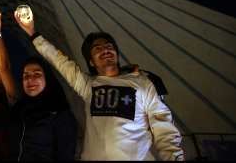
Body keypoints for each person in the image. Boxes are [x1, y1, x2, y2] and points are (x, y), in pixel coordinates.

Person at [14, 11, 185, 161]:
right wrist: (32, 32)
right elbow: (60, 62)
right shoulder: (89, 87)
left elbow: (164, 130)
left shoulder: (143, 83)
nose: (105, 50)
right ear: (91, 61)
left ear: (116, 54)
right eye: (97, 49)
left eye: (109, 46)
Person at [0, 9, 77, 161]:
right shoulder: (19, 107)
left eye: (37, 74)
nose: (30, 79)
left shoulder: (59, 114)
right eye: (26, 75)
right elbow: (4, 69)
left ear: (48, 80)